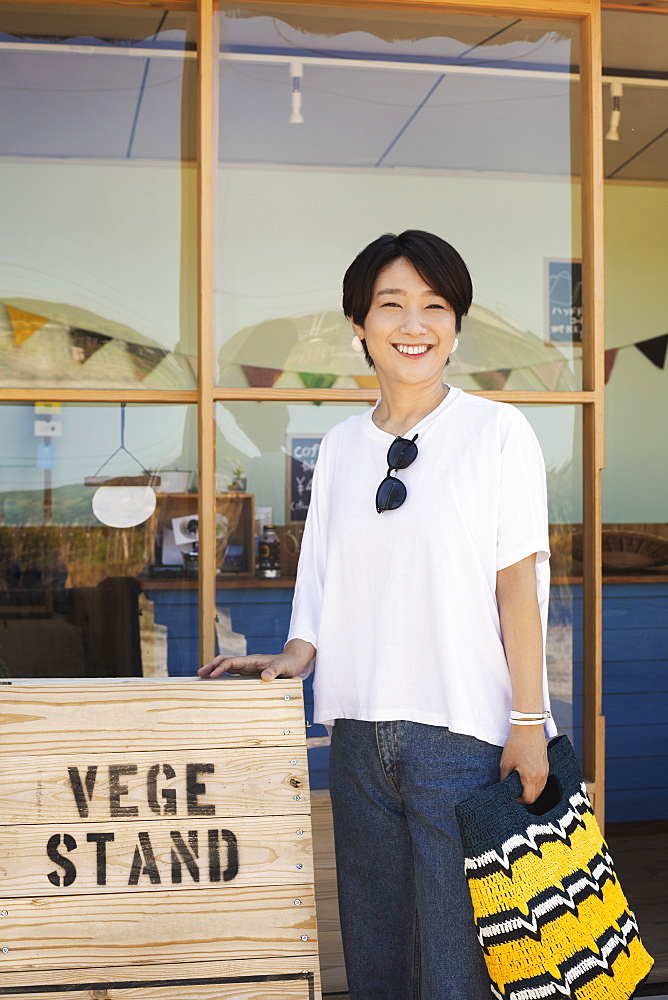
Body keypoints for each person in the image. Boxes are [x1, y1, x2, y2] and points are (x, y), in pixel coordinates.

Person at [199, 230, 557, 999]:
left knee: (458, 970)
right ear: (359, 325)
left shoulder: (496, 433)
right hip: (357, 738)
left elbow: (517, 591)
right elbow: (323, 577)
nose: (414, 324)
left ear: (456, 325)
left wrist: (529, 723)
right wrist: (295, 655)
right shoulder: (339, 447)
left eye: (435, 305)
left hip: (462, 738)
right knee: (378, 960)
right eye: (391, 305)